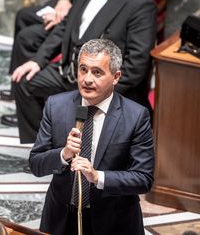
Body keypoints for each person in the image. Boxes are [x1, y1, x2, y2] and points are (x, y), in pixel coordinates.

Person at [29, 39, 155, 235]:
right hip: (61, 218)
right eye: (83, 69)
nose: (87, 79)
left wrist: (97, 177)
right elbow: (36, 164)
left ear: (115, 76)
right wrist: (64, 153)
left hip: (113, 222)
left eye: (97, 72)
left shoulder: (136, 116)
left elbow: (143, 178)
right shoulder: (56, 105)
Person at [2, 0, 157, 143]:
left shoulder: (140, 3)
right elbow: (64, 27)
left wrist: (102, 90)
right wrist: (37, 61)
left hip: (102, 82)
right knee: (23, 81)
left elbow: (137, 64)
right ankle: (45, 150)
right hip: (69, 72)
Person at [0, 0, 74, 102]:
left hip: (76, 15)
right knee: (23, 15)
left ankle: (27, 94)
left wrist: (69, 16)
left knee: (27, 37)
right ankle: (17, 88)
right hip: (72, 1)